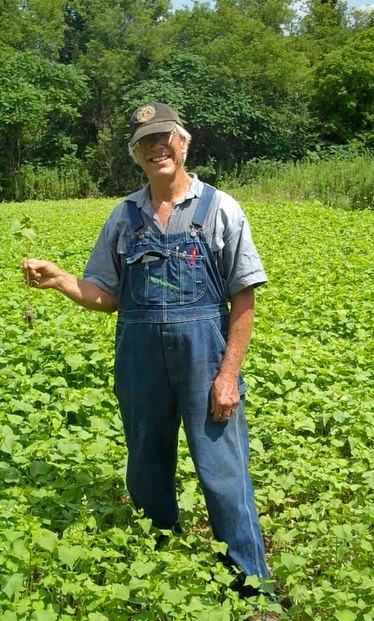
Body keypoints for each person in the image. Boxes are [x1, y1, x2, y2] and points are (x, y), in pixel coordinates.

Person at [23, 102, 277, 618]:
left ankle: (252, 583)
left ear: (183, 143)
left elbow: (244, 299)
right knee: (145, 462)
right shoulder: (125, 215)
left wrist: (228, 376)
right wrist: (61, 281)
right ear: (136, 154)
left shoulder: (220, 208)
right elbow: (105, 294)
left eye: (165, 137)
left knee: (223, 469)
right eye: (145, 141)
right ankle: (160, 554)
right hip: (139, 356)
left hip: (205, 356)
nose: (157, 147)